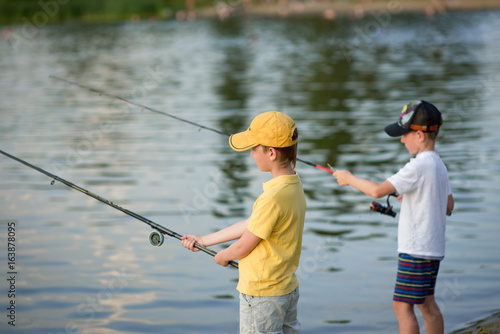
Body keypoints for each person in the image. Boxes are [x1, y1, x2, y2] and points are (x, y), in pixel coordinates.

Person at [334, 100, 454, 334]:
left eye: (404, 134)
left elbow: (378, 191)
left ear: (419, 135)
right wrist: (415, 197)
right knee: (427, 304)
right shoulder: (439, 164)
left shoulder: (417, 166)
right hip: (433, 249)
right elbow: (448, 205)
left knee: (401, 306)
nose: (401, 139)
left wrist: (349, 178)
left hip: (416, 249)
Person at [181, 111, 306, 334]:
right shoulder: (293, 187)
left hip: (262, 296)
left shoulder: (271, 198)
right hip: (286, 289)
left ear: (271, 153)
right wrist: (205, 240)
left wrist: (223, 256)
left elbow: (244, 245)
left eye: (253, 148)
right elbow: (254, 224)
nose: (250, 154)